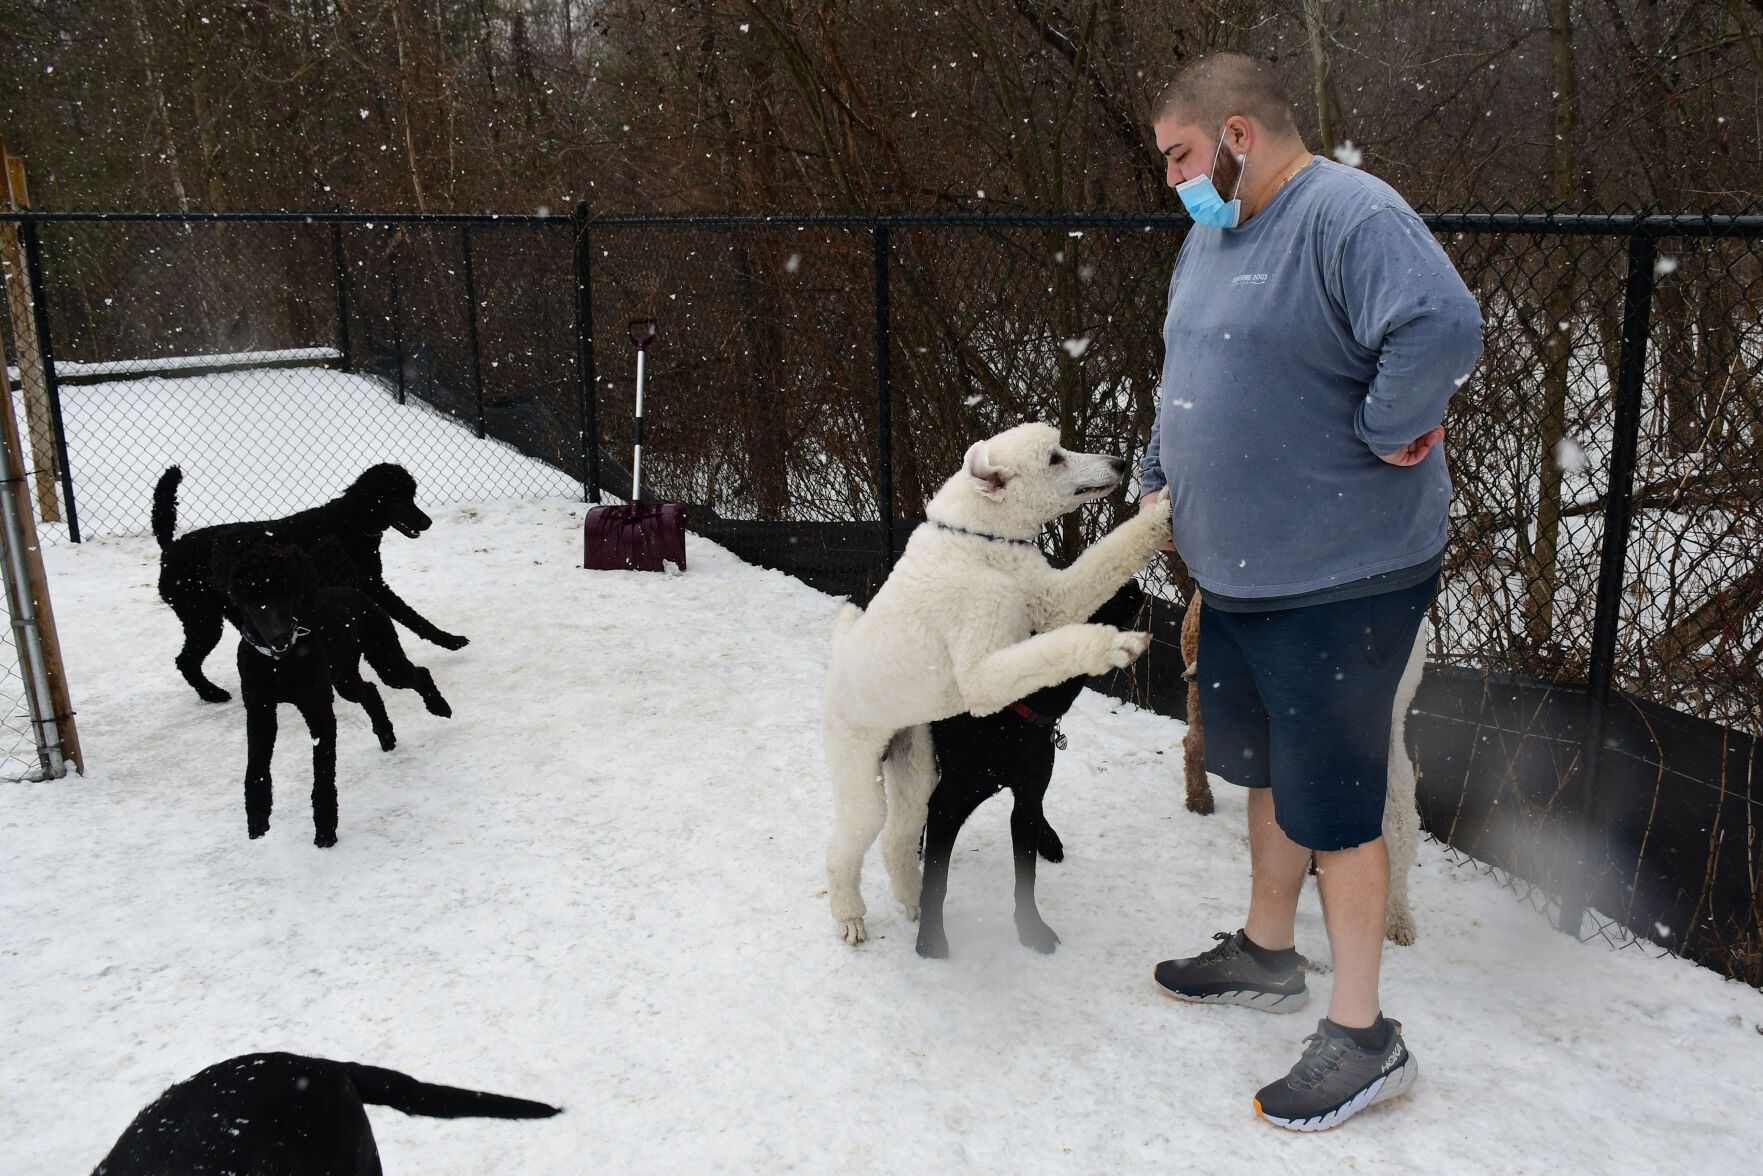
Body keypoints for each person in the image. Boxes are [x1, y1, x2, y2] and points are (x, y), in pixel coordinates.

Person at [1138, 53, 1484, 1131]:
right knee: (1267, 771)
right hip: (1241, 577)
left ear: (1236, 134)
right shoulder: (1212, 235)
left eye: (1179, 156)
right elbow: (1182, 366)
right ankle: (1266, 951)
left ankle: (1362, 1034)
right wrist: (1163, 469)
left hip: (1341, 577)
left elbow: (1439, 327)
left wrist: (1389, 430)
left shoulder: (1348, 215)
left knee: (1333, 799)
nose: (1172, 180)